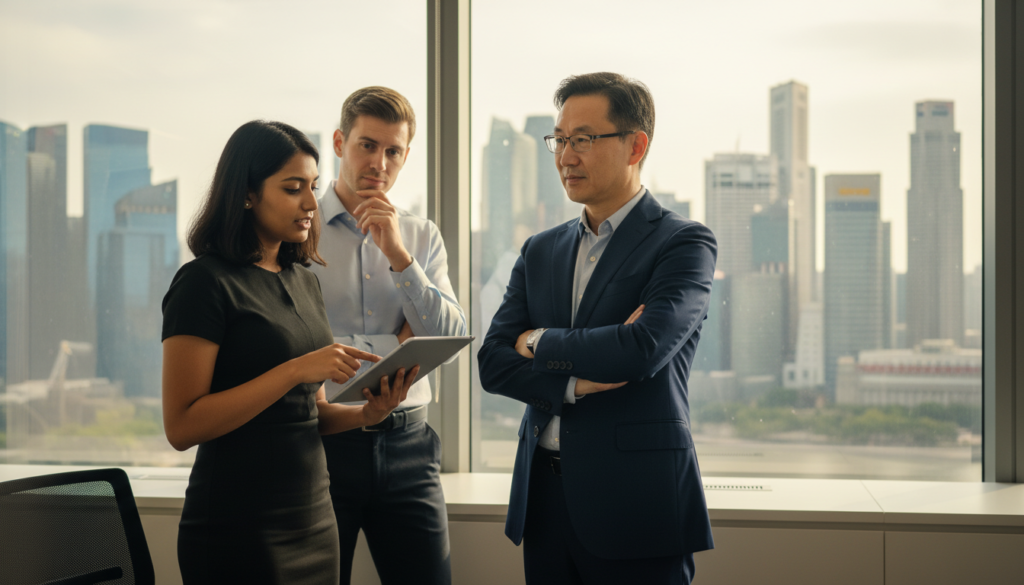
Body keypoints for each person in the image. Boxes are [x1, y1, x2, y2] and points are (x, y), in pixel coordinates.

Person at [477, 72, 717, 585]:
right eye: (560, 140)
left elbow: (640, 349)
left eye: (583, 139)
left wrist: (537, 341)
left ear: (636, 145)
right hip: (544, 502)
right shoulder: (540, 248)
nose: (566, 156)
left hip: (636, 504)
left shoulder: (684, 243)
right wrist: (574, 383)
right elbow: (493, 362)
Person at [161, 120, 419, 584]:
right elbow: (182, 426)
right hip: (238, 525)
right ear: (247, 194)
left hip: (314, 519)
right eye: (293, 188)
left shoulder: (302, 279)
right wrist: (295, 369)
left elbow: (309, 412)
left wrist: (367, 414)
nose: (309, 203)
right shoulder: (204, 283)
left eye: (314, 186)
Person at [310, 87, 466, 585]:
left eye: (393, 150)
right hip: (324, 446)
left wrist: (400, 256)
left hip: (409, 445)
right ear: (339, 142)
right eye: (367, 145)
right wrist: (397, 337)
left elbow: (450, 336)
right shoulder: (299, 228)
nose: (379, 162)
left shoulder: (420, 235)